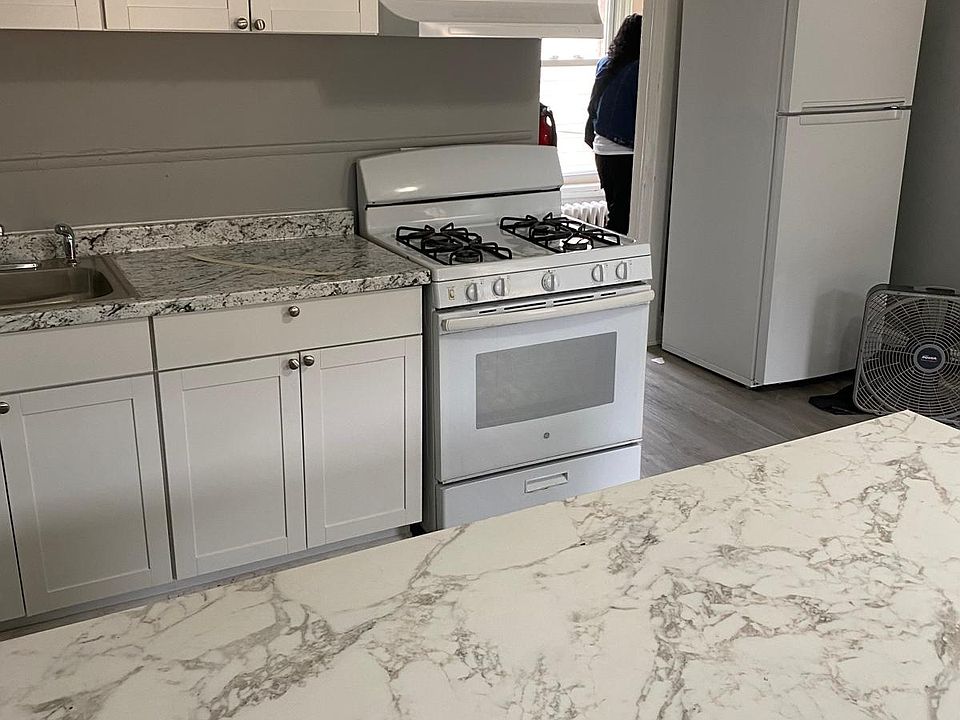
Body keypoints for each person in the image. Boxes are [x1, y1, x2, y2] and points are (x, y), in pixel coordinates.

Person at [585, 14, 643, 235]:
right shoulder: (639, 69)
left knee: (616, 215)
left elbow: (593, 107)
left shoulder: (606, 64)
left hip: (602, 148)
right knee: (624, 220)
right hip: (625, 151)